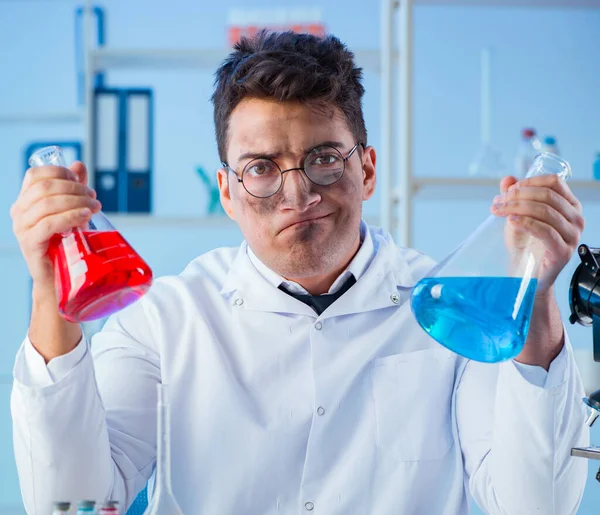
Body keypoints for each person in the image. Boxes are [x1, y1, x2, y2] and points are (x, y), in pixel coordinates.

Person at [10, 31, 589, 515]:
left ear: (366, 170)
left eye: (323, 158)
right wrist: (49, 293)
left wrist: (534, 294)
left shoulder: (450, 313)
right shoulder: (165, 320)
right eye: (261, 167)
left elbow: (534, 503)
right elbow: (71, 501)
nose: (298, 193)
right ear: (227, 193)